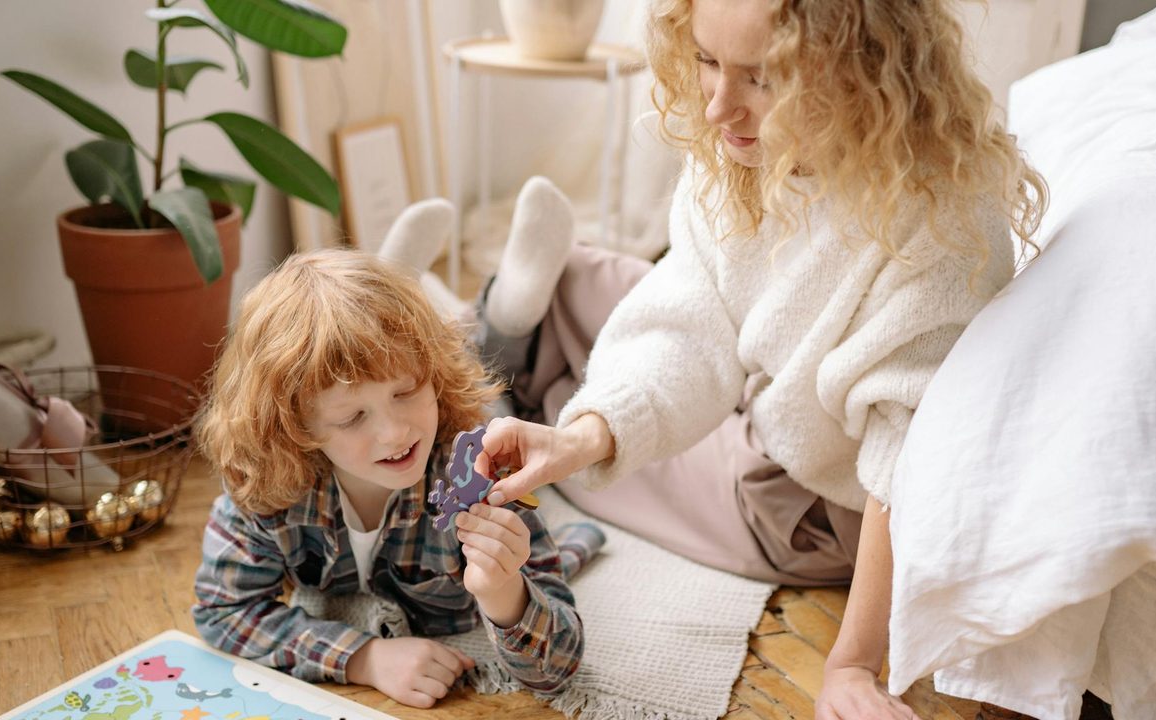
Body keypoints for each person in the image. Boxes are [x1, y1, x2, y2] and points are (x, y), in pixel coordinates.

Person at [442, 0, 1045, 718]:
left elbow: (901, 465)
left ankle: (500, 358)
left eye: (762, 78)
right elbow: (690, 316)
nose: (719, 107)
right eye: (707, 61)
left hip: (812, 503)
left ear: (861, 72)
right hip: (767, 386)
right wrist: (578, 439)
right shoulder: (743, 150)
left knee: (583, 431)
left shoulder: (937, 220)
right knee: (576, 280)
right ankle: (508, 345)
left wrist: (853, 666)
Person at [192, 250, 598, 709]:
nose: (395, 433)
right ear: (293, 427)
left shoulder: (480, 473)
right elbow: (223, 611)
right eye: (352, 418)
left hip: (476, 409)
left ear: (432, 376)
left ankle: (492, 306)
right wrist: (363, 658)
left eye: (405, 391)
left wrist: (504, 594)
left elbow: (556, 670)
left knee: (504, 386)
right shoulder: (268, 486)